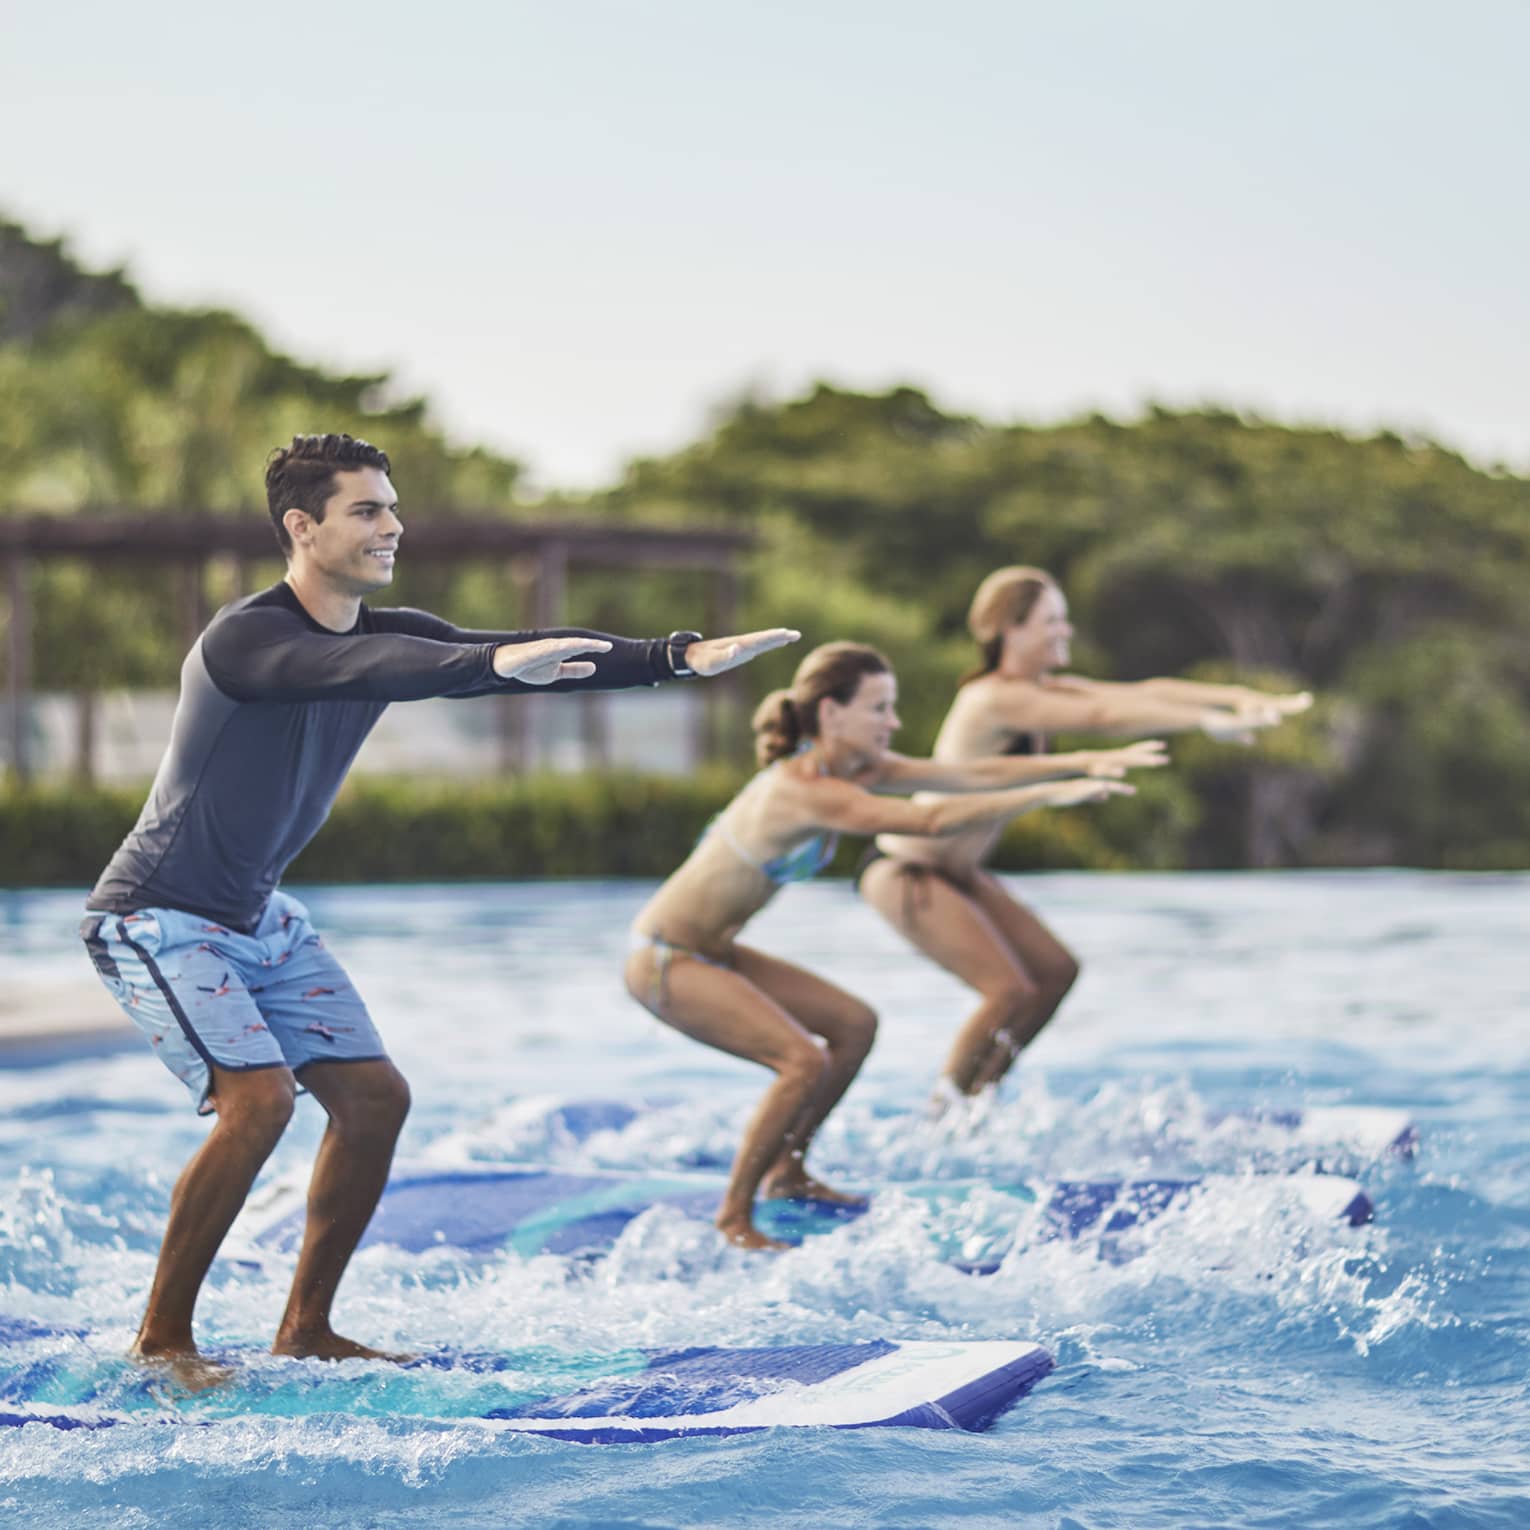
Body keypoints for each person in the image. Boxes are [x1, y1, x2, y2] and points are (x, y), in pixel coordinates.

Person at [79, 432, 798, 1388]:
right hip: (156, 915)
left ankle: (306, 1327)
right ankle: (163, 1341)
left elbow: (515, 650)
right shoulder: (248, 639)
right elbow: (369, 672)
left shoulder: (389, 628)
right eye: (366, 511)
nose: (392, 526)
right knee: (260, 1103)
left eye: (392, 508)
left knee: (375, 1100)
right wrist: (492, 670)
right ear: (303, 526)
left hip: (259, 917)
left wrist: (679, 655)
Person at [624, 640, 1164, 1250]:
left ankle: (787, 1170)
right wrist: (1048, 796)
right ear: (831, 714)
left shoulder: (854, 770)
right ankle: (733, 1217)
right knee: (801, 1060)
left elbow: (969, 776)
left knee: (854, 1025)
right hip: (665, 958)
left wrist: (1089, 762)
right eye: (880, 708)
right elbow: (930, 821)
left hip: (713, 951)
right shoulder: (802, 789)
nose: (893, 723)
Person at [858, 565, 1313, 1101]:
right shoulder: (993, 699)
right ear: (1011, 629)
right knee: (1006, 990)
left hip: (958, 872)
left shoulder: (1038, 689)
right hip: (906, 871)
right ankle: (942, 1117)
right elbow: (1102, 715)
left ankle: (977, 1103)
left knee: (1054, 972)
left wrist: (1235, 700)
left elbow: (1143, 692)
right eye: (1052, 620)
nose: (1064, 632)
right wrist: (1205, 723)